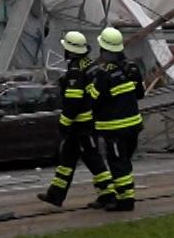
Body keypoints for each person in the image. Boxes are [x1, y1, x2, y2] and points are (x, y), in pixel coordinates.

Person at [37, 31, 113, 207]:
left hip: (82, 125)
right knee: (67, 159)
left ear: (70, 51)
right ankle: (55, 194)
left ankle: (109, 194)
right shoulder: (90, 65)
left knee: (93, 159)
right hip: (87, 122)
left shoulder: (75, 70)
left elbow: (73, 101)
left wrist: (64, 123)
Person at [88, 27, 143, 210]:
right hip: (134, 125)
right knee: (125, 163)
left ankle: (125, 201)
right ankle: (122, 196)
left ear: (104, 49)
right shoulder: (132, 68)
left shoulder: (103, 74)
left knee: (118, 164)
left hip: (114, 129)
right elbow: (140, 93)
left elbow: (92, 100)